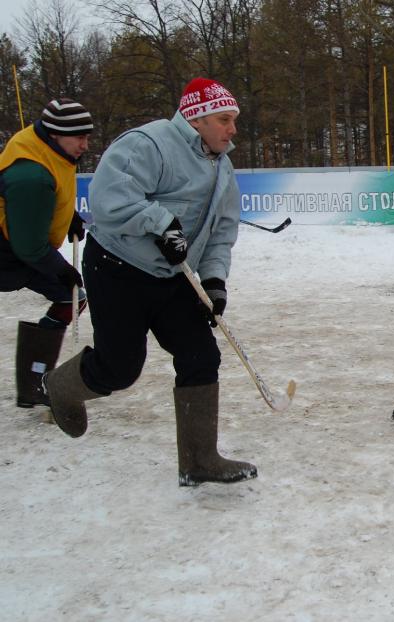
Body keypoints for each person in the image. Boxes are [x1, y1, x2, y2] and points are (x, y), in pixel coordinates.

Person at [43, 78, 256, 487]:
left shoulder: (222, 165)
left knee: (200, 356)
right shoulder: (148, 144)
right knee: (120, 368)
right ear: (196, 120)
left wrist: (213, 281)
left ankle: (200, 460)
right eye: (224, 120)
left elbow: (221, 230)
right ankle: (62, 386)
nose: (232, 130)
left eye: (234, 121)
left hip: (172, 275)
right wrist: (162, 224)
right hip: (118, 268)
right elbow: (109, 200)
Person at [1, 99, 93, 409]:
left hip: (17, 248)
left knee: (72, 295)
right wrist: (62, 270)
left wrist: (69, 217)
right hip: (11, 252)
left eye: (87, 135)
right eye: (78, 137)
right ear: (55, 135)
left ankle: (35, 382)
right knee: (70, 289)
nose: (85, 144)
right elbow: (29, 247)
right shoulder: (30, 176)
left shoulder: (49, 146)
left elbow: (56, 188)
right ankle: (34, 382)